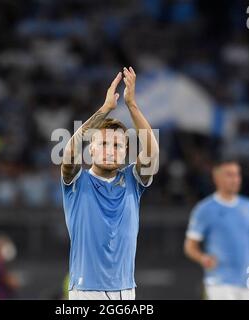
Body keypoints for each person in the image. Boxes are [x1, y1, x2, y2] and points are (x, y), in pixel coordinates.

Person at [61, 67, 159, 300]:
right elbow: (69, 154)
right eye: (103, 143)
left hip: (126, 290)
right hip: (86, 290)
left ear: (126, 152)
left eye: (117, 146)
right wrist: (104, 110)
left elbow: (152, 154)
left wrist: (132, 105)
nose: (110, 151)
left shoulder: (133, 181)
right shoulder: (77, 181)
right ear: (91, 149)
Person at [184, 158, 249, 300]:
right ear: (216, 178)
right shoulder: (204, 209)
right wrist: (203, 258)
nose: (235, 179)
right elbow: (190, 246)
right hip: (219, 281)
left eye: (237, 174)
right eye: (229, 175)